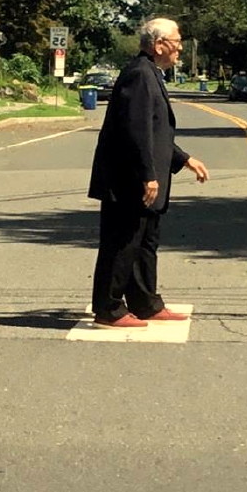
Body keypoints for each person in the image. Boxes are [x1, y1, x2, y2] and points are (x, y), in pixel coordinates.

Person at [87, 17, 209, 328]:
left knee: (144, 243)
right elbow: (135, 130)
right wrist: (147, 175)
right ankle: (108, 308)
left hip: (146, 175)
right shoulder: (139, 75)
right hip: (128, 179)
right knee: (122, 243)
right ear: (158, 46)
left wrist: (183, 159)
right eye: (176, 41)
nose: (181, 47)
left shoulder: (149, 73)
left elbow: (156, 131)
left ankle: (145, 303)